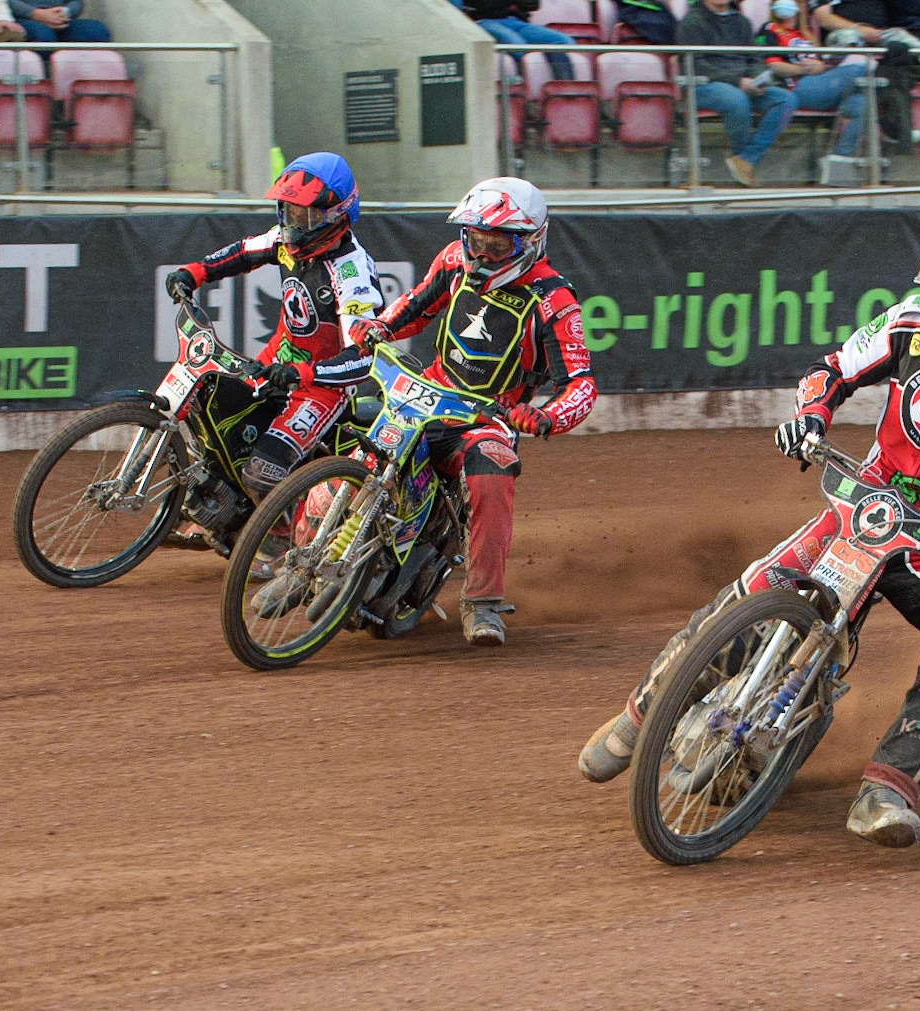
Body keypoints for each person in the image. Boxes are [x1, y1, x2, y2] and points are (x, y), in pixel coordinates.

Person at [580, 217, 920, 849]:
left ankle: (888, 788)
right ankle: (638, 718)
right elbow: (832, 371)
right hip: (859, 505)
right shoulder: (906, 323)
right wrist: (810, 414)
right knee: (748, 595)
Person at [282, 177, 597, 647]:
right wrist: (379, 327)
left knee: (491, 473)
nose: (481, 254)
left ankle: (482, 602)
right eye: (475, 240)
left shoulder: (554, 302)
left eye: (497, 244)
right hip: (426, 391)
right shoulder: (453, 261)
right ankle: (300, 555)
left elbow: (581, 383)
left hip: (486, 418)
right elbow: (416, 306)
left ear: (531, 241)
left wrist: (548, 416)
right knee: (352, 440)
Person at [163, 152, 386, 526]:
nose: (293, 226)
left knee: (262, 471)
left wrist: (305, 374)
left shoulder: (351, 273)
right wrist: (194, 272)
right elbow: (241, 253)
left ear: (336, 214)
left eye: (305, 216)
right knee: (214, 416)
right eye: (288, 212)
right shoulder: (285, 241)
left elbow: (364, 358)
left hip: (320, 388)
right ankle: (229, 510)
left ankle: (280, 544)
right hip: (274, 365)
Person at [678, 0, 799, 187]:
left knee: (786, 99)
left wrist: (758, 78)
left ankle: (746, 160)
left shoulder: (742, 22)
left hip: (743, 82)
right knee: (736, 99)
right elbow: (696, 65)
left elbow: (754, 58)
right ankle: (740, 162)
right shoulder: (692, 22)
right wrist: (738, 81)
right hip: (703, 84)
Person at [758, 0, 871, 185]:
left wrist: (825, 64)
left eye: (799, 3)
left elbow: (822, 64)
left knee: (863, 102)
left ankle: (838, 162)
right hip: (795, 87)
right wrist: (807, 69)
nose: (795, 7)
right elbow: (772, 65)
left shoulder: (806, 34)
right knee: (861, 69)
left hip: (821, 85)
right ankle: (894, 128)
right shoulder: (769, 29)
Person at [807, 0, 920, 155]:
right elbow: (823, 18)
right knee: (850, 38)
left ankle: (896, 127)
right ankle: (892, 128)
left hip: (877, 37)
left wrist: (876, 34)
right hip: (844, 34)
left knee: (907, 43)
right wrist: (860, 30)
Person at [458, 0, 577, 81]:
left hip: (517, 22)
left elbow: (533, 4)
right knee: (517, 44)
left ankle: (565, 91)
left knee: (563, 41)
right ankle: (521, 88)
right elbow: (482, 4)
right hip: (484, 21)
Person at [8, 0, 110, 51]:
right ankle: (43, 86)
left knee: (97, 31)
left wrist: (65, 13)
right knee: (44, 36)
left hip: (60, 18)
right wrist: (36, 14)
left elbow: (77, 2)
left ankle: (88, 86)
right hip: (23, 18)